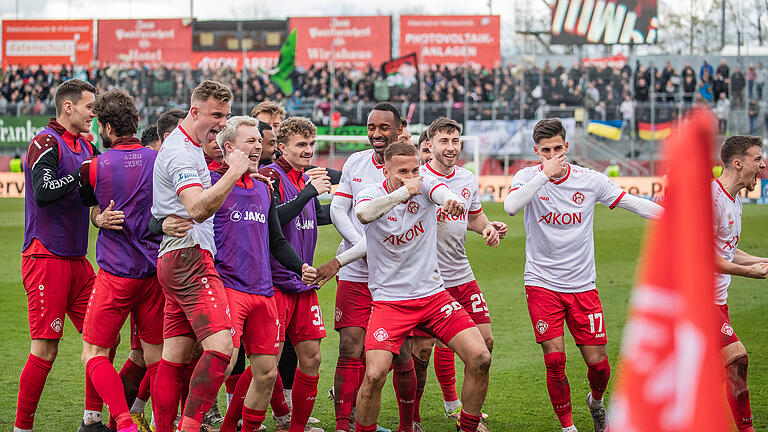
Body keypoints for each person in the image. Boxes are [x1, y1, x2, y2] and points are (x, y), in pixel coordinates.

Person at [503, 118, 663, 432]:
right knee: (554, 360)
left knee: (599, 366)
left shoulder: (589, 180)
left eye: (557, 149)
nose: (552, 155)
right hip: (541, 282)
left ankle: (596, 401)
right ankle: (567, 427)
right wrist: (542, 177)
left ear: (568, 147)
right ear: (537, 151)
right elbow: (510, 206)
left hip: (581, 285)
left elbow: (634, 204)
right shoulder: (527, 176)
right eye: (545, 151)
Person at [352, 142, 491, 432]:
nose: (412, 176)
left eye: (415, 169)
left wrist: (450, 199)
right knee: (375, 375)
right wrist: (404, 191)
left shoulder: (426, 186)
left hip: (433, 297)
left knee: (480, 357)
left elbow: (441, 192)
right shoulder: (370, 192)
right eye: (402, 171)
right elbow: (364, 215)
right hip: (390, 302)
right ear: (385, 170)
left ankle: (467, 426)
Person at [150, 80, 247, 432]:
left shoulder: (188, 147)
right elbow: (198, 208)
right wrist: (236, 171)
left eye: (226, 115)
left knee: (174, 358)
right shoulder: (180, 153)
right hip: (190, 259)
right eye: (216, 115)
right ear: (194, 112)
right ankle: (191, 427)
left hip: (174, 259)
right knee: (223, 348)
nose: (223, 123)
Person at [210, 116, 316, 432]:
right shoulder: (209, 184)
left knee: (267, 373)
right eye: (250, 141)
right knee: (221, 365)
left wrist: (301, 267)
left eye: (259, 141)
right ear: (228, 146)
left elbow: (277, 239)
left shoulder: (262, 188)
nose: (258, 147)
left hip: (263, 291)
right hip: (227, 287)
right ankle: (187, 421)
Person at [16, 78, 110, 432]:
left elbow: (95, 190)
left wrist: (99, 214)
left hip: (77, 260)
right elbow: (43, 191)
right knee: (46, 350)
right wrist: (81, 174)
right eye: (89, 107)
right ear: (68, 107)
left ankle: (91, 419)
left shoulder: (86, 146)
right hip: (45, 258)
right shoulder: (45, 141)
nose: (94, 114)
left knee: (104, 337)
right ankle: (22, 427)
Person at [319, 103, 418, 432]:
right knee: (350, 346)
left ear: (400, 127)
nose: (376, 134)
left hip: (394, 275)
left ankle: (407, 424)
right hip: (356, 273)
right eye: (371, 127)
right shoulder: (355, 162)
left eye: (384, 128)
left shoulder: (411, 168)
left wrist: (366, 248)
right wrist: (356, 245)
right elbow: (338, 208)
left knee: (401, 352)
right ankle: (343, 425)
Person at [411, 118, 506, 430]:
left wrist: (488, 228)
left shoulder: (466, 177)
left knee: (486, 341)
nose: (450, 147)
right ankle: (412, 416)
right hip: (428, 279)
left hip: (461, 273)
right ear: (430, 145)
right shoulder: (419, 178)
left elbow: (474, 216)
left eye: (455, 140)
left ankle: (463, 412)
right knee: (423, 351)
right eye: (444, 141)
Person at [78, 88, 164, 432]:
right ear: (137, 120)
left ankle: (124, 422)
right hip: (154, 272)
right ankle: (163, 423)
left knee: (94, 353)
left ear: (107, 128)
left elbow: (93, 206)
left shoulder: (92, 168)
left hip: (115, 274)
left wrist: (99, 218)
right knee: (158, 358)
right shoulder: (159, 162)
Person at [258, 117, 331, 432]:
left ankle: (295, 426)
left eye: (311, 144)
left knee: (311, 357)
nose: (308, 150)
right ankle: (245, 420)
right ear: (281, 146)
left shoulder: (303, 178)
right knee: (266, 365)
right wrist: (309, 193)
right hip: (274, 282)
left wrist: (360, 207)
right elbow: (273, 219)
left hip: (303, 283)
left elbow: (315, 216)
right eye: (301, 145)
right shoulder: (269, 176)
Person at [711, 135, 768, 432]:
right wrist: (748, 273)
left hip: (718, 302)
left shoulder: (733, 199)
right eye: (757, 159)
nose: (763, 164)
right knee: (737, 360)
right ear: (738, 163)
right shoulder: (712, 197)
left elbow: (728, 250)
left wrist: (761, 260)